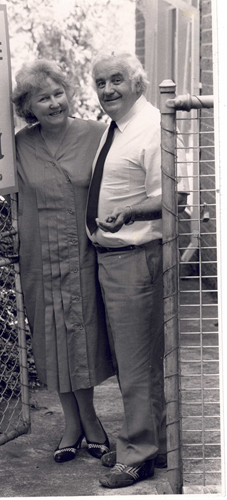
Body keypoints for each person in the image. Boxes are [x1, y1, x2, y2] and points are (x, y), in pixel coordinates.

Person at [85, 52, 189, 488]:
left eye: (117, 81)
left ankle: (138, 455)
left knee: (136, 365)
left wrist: (128, 214)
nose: (107, 90)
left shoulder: (151, 126)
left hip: (135, 259)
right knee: (141, 362)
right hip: (115, 260)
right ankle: (157, 444)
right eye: (100, 82)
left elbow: (175, 195)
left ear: (138, 84)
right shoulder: (119, 125)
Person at [11, 59, 115, 463]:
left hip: (84, 255)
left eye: (59, 94)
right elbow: (14, 200)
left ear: (69, 94)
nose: (54, 103)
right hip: (40, 256)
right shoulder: (20, 146)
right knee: (52, 338)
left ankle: (89, 421)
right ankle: (73, 424)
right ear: (29, 107)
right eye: (43, 98)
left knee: (82, 336)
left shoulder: (97, 134)